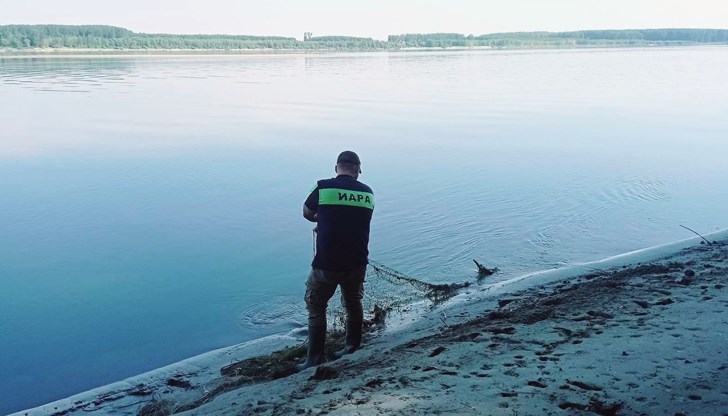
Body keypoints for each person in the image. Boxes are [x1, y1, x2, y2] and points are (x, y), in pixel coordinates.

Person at [296, 150, 375, 371]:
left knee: (316, 305)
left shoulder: (322, 187)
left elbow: (307, 212)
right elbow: (354, 218)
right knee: (353, 303)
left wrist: (322, 218)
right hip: (357, 262)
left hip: (326, 264)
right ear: (358, 169)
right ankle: (351, 346)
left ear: (336, 168)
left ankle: (313, 359)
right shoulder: (367, 193)